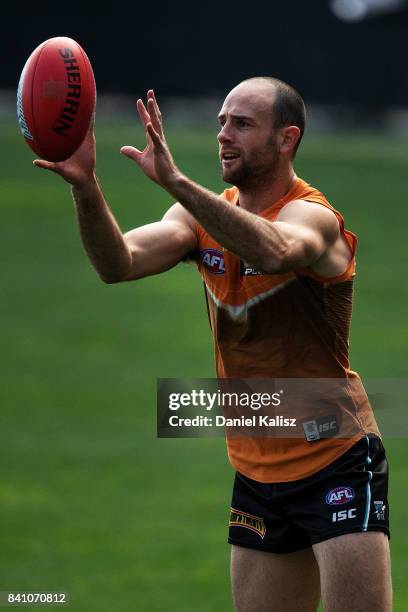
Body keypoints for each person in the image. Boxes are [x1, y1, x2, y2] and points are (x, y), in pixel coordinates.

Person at [34, 77, 392, 611]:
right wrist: (86, 187)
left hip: (335, 456)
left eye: (242, 124)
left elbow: (274, 250)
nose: (224, 135)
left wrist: (177, 183)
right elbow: (118, 263)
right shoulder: (202, 217)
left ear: (286, 139)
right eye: (222, 121)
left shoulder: (315, 217)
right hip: (255, 468)